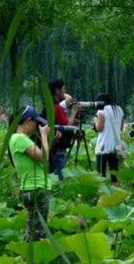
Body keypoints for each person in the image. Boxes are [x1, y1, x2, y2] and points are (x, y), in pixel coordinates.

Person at [8, 106, 50, 242]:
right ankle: (32, 260)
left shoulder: (16, 138)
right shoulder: (20, 139)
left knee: (32, 227)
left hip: (31, 188)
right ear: (28, 121)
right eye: (36, 122)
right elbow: (44, 157)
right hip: (36, 188)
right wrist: (44, 136)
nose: (37, 126)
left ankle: (25, 256)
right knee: (38, 231)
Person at [47, 79, 82, 180]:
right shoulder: (57, 108)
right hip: (58, 147)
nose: (64, 91)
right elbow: (67, 125)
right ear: (57, 90)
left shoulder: (50, 105)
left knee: (53, 176)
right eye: (63, 89)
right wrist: (74, 112)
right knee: (59, 177)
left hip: (53, 145)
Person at [94, 93, 124, 185]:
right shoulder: (119, 110)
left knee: (101, 175)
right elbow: (121, 128)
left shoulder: (101, 111)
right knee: (114, 175)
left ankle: (103, 195)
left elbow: (99, 128)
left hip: (103, 146)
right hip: (115, 146)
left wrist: (95, 121)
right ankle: (116, 193)